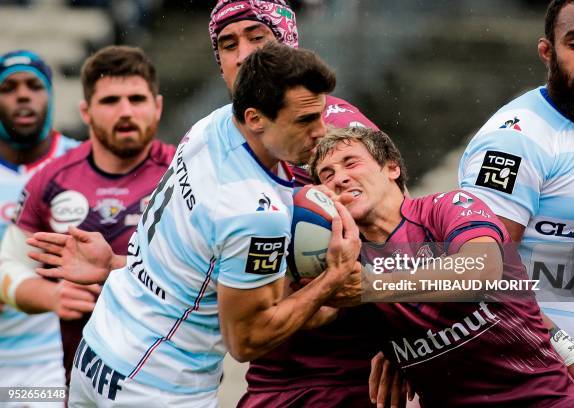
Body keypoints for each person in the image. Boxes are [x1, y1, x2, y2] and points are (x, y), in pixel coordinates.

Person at [30, 42, 361, 407]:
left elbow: (198, 260)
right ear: (254, 118)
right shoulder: (256, 215)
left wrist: (114, 263)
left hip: (98, 350)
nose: (321, 130)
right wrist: (334, 277)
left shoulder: (212, 124)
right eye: (304, 120)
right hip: (157, 386)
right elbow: (246, 340)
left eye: (319, 114)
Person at [309, 126, 574, 407]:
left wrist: (373, 286)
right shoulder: (345, 258)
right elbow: (314, 317)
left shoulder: (449, 207)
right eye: (327, 175)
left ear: (391, 168)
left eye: (351, 163)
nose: (340, 179)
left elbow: (481, 270)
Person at [208, 2, 386, 405]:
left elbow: (398, 233)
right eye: (228, 44)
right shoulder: (215, 134)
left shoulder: (334, 129)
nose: (244, 56)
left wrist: (401, 342)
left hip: (347, 372)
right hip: (272, 366)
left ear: (287, 45)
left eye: (258, 39)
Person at [458, 0, 574, 402]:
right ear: (547, 51)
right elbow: (479, 277)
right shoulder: (516, 140)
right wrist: (572, 357)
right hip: (541, 385)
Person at [1, 45, 176, 388]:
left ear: (157, 107)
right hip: (68, 378)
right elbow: (8, 265)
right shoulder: (52, 179)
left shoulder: (187, 173)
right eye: (110, 101)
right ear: (86, 111)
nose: (125, 111)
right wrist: (50, 295)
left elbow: (211, 271)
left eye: (136, 99)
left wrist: (117, 266)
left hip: (175, 382)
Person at [0, 50, 79, 403]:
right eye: (8, 87)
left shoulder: (81, 164)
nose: (22, 95)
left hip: (54, 360)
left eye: (34, 85)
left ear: (50, 93)